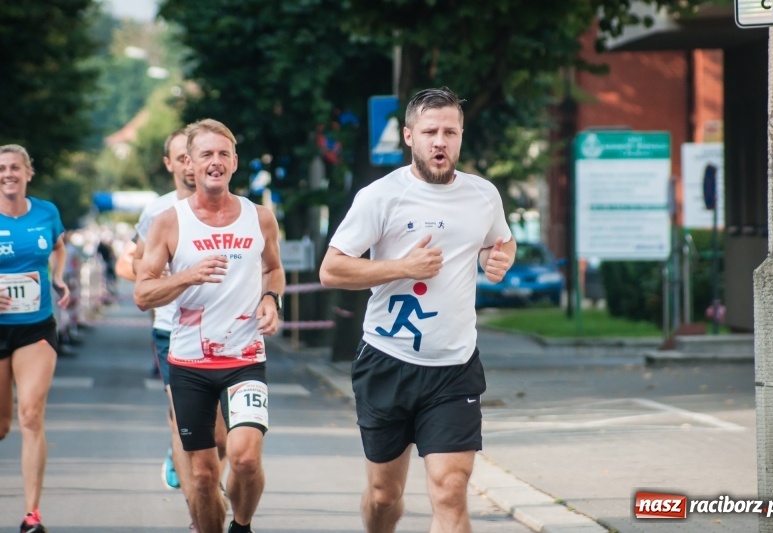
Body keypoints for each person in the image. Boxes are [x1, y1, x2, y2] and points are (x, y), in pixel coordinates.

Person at [319, 87, 516, 533]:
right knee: (385, 497)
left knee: (450, 488)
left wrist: (500, 258)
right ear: (409, 136)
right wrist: (402, 267)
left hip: (454, 366)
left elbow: (499, 241)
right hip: (387, 361)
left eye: (450, 131)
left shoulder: (483, 195)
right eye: (430, 132)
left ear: (462, 135)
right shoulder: (381, 196)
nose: (440, 142)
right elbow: (332, 269)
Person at [134, 118, 285, 533]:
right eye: (206, 155)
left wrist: (271, 298)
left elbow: (273, 269)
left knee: (246, 458)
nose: (215, 161)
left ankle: (243, 525)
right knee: (201, 476)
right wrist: (187, 276)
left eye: (223, 154)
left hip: (245, 358)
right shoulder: (169, 221)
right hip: (189, 364)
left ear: (234, 162)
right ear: (190, 164)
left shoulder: (260, 218)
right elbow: (143, 293)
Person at [115, 128, 229, 530]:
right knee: (189, 431)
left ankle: (198, 467)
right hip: (172, 330)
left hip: (224, 332)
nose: (188, 164)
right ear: (173, 164)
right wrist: (158, 275)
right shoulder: (159, 212)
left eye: (191, 156)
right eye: (181, 157)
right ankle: (199, 509)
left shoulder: (231, 207)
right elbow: (128, 264)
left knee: (221, 437)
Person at [0, 144, 71, 533]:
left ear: (28, 173)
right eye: (1, 168)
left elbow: (58, 246)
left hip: (35, 327)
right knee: (1, 426)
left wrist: (57, 277)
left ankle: (32, 515)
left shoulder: (46, 212)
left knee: (30, 414)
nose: (7, 173)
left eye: (15, 167)